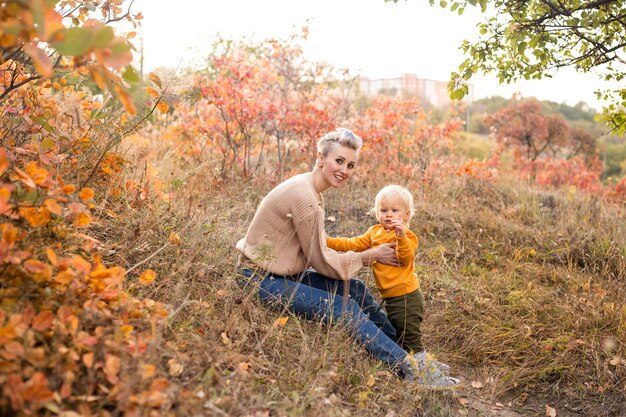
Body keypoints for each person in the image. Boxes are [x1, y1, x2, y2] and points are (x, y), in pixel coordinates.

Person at [235, 128, 459, 388]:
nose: (344, 169)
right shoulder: (304, 196)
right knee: (343, 308)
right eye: (339, 161)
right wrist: (368, 256)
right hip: (258, 279)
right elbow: (320, 260)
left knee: (355, 288)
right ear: (321, 157)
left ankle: (407, 351)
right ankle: (409, 370)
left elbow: (318, 246)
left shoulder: (311, 191)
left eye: (350, 165)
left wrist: (359, 254)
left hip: (282, 273)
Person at [326, 185, 456, 381]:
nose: (388, 215)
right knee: (401, 334)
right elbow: (352, 244)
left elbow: (406, 257)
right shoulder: (374, 232)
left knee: (410, 337)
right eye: (383, 210)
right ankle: (423, 365)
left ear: (406, 214)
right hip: (392, 298)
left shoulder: (407, 236)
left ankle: (426, 375)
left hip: (407, 296)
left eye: (394, 211)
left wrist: (401, 234)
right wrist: (328, 241)